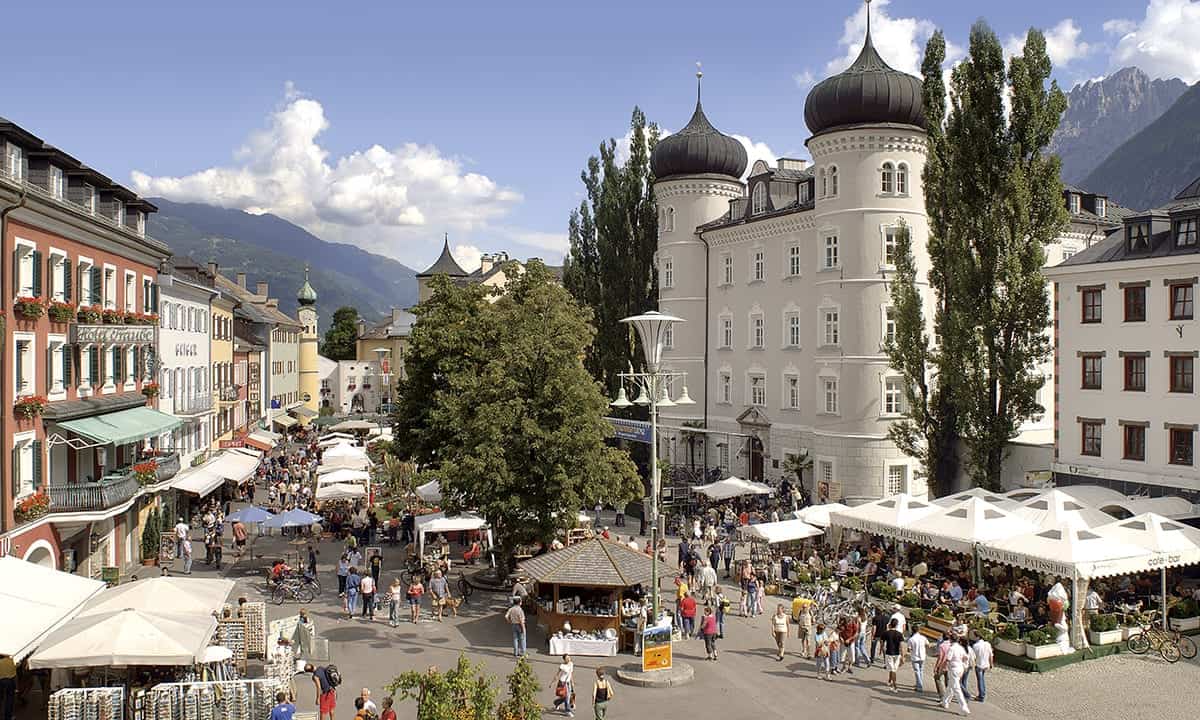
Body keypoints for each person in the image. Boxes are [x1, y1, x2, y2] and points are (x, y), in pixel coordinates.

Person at [941, 638, 971, 715]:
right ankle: (945, 702)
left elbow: (947, 659)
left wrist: (943, 667)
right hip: (960, 668)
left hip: (953, 669)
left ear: (951, 640)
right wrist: (963, 666)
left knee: (956, 688)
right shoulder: (960, 648)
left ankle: (964, 708)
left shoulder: (952, 648)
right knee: (950, 686)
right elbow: (966, 658)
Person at [881, 618, 905, 692]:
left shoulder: (886, 633)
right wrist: (903, 656)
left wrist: (882, 649)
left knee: (892, 669)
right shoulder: (899, 634)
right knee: (893, 669)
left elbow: (882, 642)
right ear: (897, 625)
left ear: (890, 624)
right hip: (897, 654)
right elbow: (901, 646)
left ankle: (894, 685)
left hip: (889, 653)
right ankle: (890, 681)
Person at [971, 630, 993, 702]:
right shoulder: (987, 644)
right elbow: (991, 655)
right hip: (986, 664)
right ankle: (982, 694)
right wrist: (991, 664)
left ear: (977, 637)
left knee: (980, 680)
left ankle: (981, 696)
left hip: (979, 664)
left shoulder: (975, 646)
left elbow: (973, 657)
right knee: (982, 679)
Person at [907, 624, 929, 693]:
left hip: (915, 656)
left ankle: (919, 686)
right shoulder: (923, 637)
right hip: (922, 656)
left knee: (917, 671)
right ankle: (919, 683)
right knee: (921, 671)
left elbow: (909, 649)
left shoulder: (911, 639)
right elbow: (928, 645)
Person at [0, 653, 16, 720]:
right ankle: (8, 717)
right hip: (10, 681)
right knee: (9, 700)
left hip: (0, 681)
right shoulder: (12, 660)